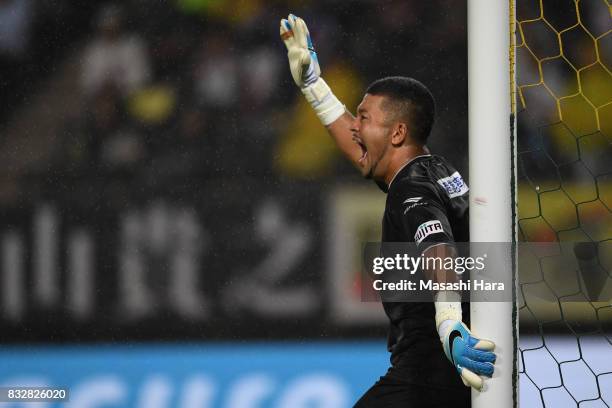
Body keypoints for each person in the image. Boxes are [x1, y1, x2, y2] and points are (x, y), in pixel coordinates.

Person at [280, 14, 497, 407]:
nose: (356, 129)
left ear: (397, 134)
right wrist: (314, 86)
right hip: (454, 376)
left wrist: (449, 323)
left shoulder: (410, 188)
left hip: (427, 377)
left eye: (364, 119)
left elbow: (438, 247)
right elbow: (359, 146)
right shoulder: (435, 170)